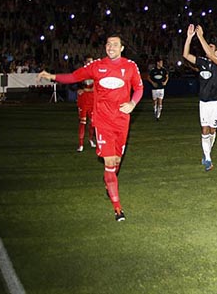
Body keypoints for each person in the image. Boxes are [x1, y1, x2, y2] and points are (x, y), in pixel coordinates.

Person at [38, 35, 143, 222]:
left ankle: (109, 181)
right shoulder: (96, 66)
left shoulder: (130, 66)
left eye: (115, 44)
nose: (111, 47)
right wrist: (52, 76)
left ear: (122, 48)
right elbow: (74, 76)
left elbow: (139, 89)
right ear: (105, 47)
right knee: (110, 163)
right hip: (102, 121)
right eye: (108, 44)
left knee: (116, 162)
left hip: (122, 122)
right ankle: (118, 209)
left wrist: (132, 103)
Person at [183, 24, 217, 172]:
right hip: (204, 101)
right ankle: (207, 158)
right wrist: (189, 38)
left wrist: (200, 36)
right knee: (204, 129)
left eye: (211, 46)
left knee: (213, 129)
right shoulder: (201, 62)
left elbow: (212, 56)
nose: (208, 48)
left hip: (216, 101)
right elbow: (186, 55)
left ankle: (207, 152)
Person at [75, 56, 95, 152]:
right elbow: (76, 84)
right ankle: (81, 144)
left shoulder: (96, 72)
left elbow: (96, 88)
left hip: (92, 100)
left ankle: (91, 139)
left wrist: (86, 89)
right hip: (83, 100)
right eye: (88, 61)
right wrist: (79, 90)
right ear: (84, 62)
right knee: (82, 122)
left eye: (91, 61)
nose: (89, 63)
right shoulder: (81, 72)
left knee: (92, 122)